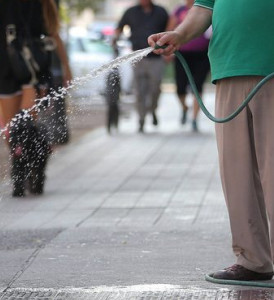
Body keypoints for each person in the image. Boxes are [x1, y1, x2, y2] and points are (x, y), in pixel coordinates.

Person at [150, 0, 274, 282]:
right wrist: (179, 35)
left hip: (271, 69)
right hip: (229, 68)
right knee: (236, 173)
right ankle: (253, 260)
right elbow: (204, 8)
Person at [0, 0, 71, 127]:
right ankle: (19, 146)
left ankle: (31, 144)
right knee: (12, 128)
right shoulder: (0, 5)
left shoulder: (43, 4)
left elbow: (54, 35)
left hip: (34, 71)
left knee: (26, 127)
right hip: (6, 71)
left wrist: (66, 67)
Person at [114, 0, 169, 133]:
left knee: (155, 88)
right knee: (139, 90)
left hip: (156, 58)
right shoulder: (131, 12)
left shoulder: (161, 12)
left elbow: (170, 28)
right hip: (138, 58)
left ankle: (152, 110)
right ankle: (141, 119)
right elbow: (119, 28)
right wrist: (115, 39)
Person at [169, 0, 210, 132]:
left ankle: (194, 119)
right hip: (182, 54)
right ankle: (185, 107)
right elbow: (170, 28)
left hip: (201, 55)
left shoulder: (208, 7)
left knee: (197, 87)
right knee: (180, 87)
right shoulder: (179, 10)